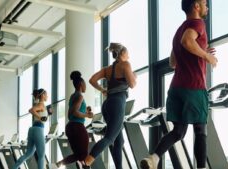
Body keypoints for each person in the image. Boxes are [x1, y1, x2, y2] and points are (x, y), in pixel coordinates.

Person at [140, 0, 218, 169]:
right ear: (196, 6)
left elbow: (172, 62)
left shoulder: (179, 30)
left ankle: (153, 157)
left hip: (176, 89)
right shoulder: (198, 23)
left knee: (178, 132)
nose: (207, 6)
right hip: (194, 87)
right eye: (204, 3)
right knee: (200, 130)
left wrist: (202, 51)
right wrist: (207, 56)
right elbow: (187, 42)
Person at [84, 42, 136, 169]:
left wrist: (102, 90)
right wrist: (134, 75)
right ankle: (86, 162)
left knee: (119, 141)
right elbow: (133, 84)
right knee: (109, 138)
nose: (128, 56)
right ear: (122, 53)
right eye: (127, 53)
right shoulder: (125, 65)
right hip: (118, 103)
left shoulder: (107, 69)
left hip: (107, 104)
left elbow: (92, 80)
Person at [50, 71, 93, 169]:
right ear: (81, 84)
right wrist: (87, 115)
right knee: (83, 155)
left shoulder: (72, 96)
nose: (85, 86)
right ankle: (57, 165)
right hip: (77, 127)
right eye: (85, 84)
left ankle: (56, 165)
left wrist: (85, 110)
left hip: (70, 127)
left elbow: (71, 114)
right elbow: (74, 112)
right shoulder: (80, 96)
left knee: (79, 156)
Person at [13, 88, 50, 169]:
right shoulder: (41, 105)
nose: (47, 96)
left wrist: (46, 115)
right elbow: (31, 110)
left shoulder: (38, 104)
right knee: (41, 155)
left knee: (28, 154)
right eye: (46, 94)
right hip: (38, 129)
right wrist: (40, 118)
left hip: (32, 129)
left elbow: (37, 112)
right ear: (43, 95)